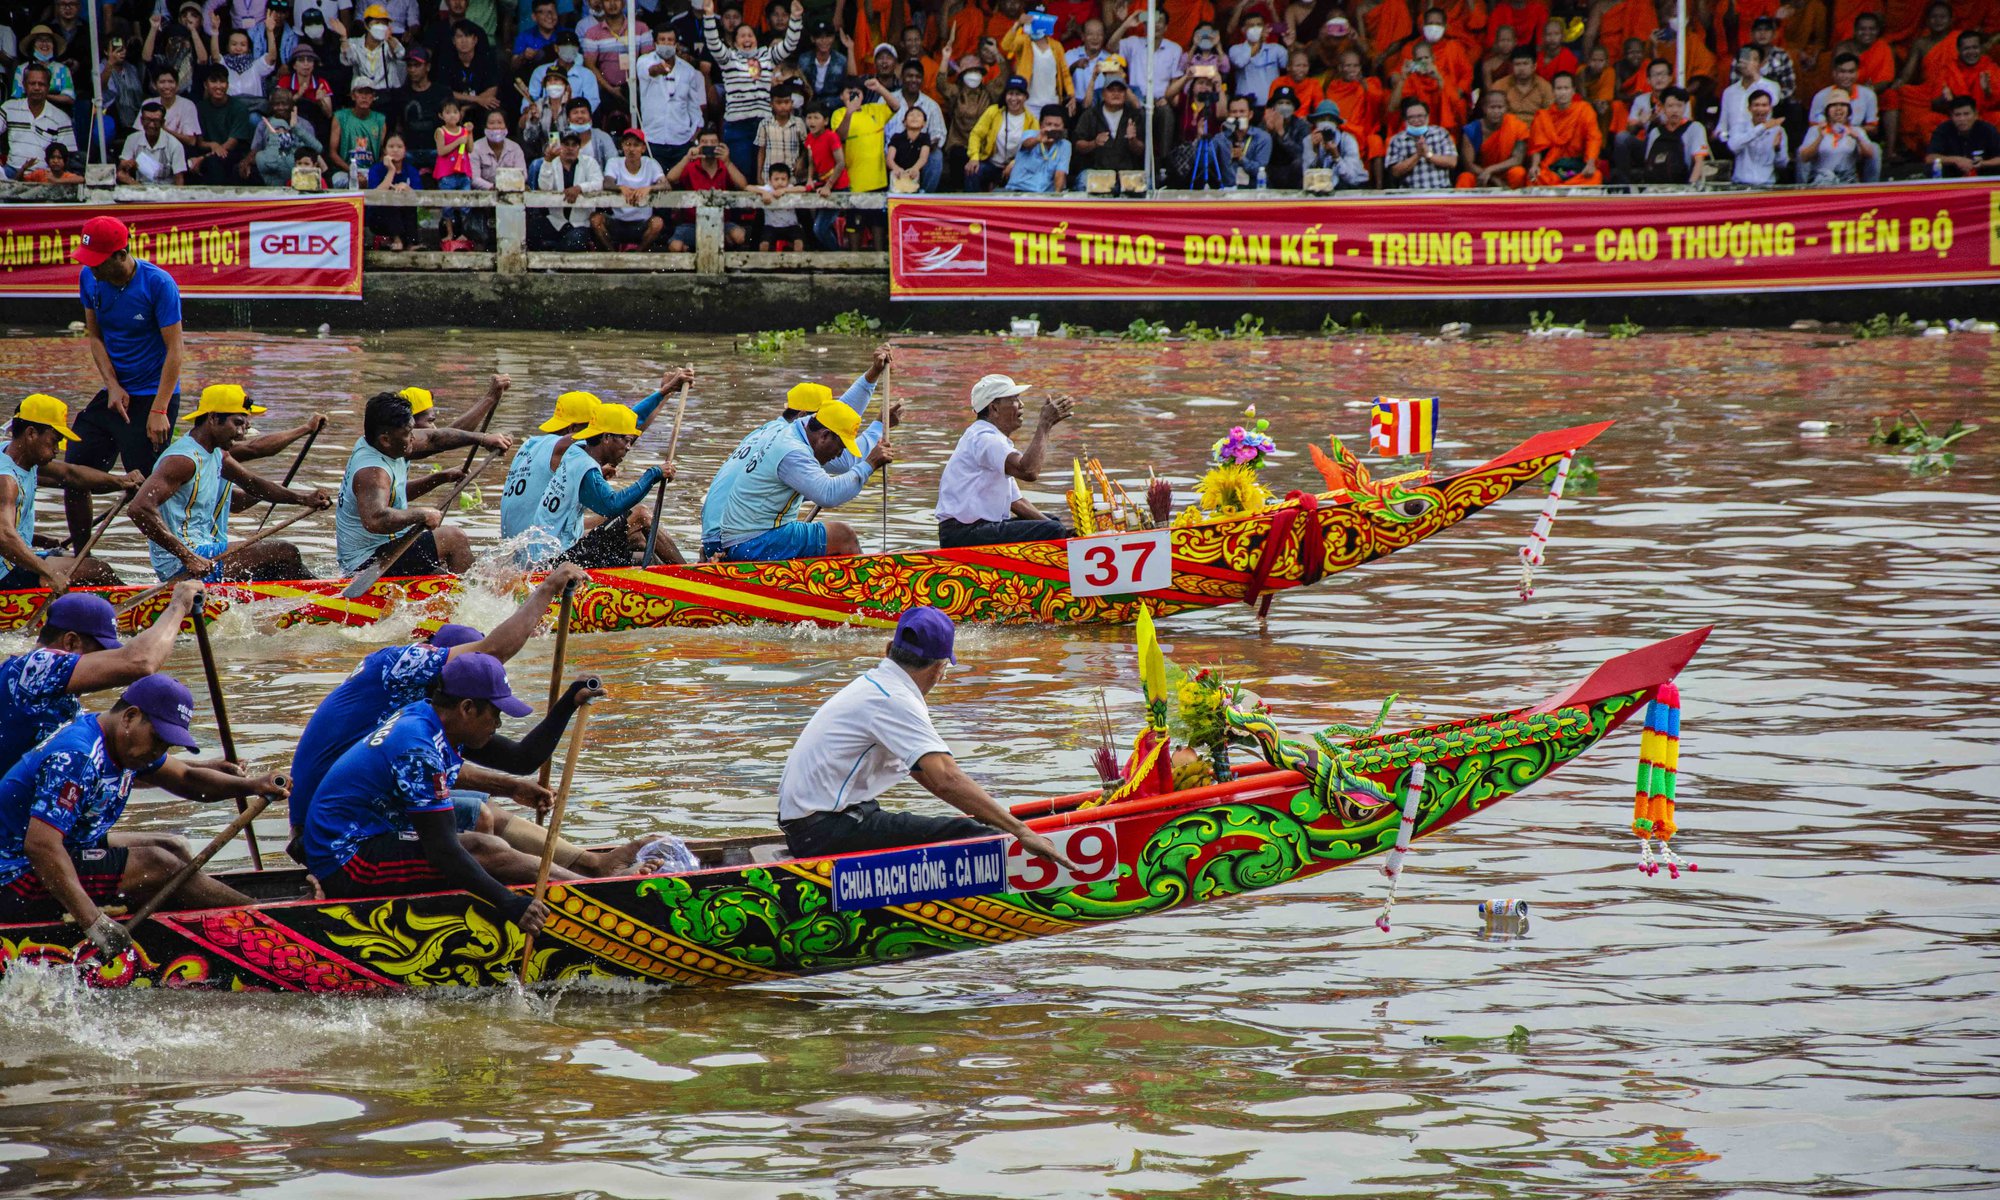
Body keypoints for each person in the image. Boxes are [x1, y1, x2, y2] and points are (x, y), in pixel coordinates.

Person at [285, 571, 591, 839]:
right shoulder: (396, 667)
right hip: (326, 818)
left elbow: (521, 760)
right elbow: (492, 652)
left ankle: (589, 864)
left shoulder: (444, 712)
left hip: (356, 803)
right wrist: (548, 587)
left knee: (484, 804)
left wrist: (570, 701)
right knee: (479, 813)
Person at [776, 606, 1076, 865]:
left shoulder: (876, 685)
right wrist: (1019, 831)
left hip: (814, 826)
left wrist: (987, 813)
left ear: (887, 650)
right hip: (827, 832)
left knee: (964, 826)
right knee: (984, 839)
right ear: (940, 668)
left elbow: (927, 774)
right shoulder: (892, 700)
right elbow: (946, 778)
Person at [0, 674, 289, 943]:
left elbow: (187, 779)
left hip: (62, 846)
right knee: (157, 864)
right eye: (158, 740)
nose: (159, 752)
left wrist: (253, 786)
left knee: (171, 847)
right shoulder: (77, 757)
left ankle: (193, 916)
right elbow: (40, 846)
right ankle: (272, 921)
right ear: (130, 716)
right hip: (13, 877)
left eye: (167, 745)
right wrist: (94, 924)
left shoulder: (120, 741)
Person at [297, 652, 554, 929]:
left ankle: (584, 879)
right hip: (346, 860)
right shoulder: (417, 748)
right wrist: (510, 904)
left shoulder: (425, 713)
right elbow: (443, 852)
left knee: (486, 847)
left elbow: (523, 759)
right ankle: (588, 888)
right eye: (496, 715)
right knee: (484, 849)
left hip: (367, 836)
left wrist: (571, 701)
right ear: (467, 709)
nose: (498, 725)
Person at [127, 384, 334, 584]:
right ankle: (332, 597)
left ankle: (317, 597)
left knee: (277, 568)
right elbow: (138, 509)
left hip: (205, 553)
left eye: (245, 425)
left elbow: (254, 485)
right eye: (236, 423)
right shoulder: (183, 460)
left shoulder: (217, 454)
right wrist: (188, 557)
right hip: (182, 563)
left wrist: (304, 498)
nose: (242, 432)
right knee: (284, 552)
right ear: (213, 418)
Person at [69, 216, 183, 554]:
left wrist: (160, 409)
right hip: (115, 393)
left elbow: (175, 351)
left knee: (149, 492)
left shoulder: (158, 284)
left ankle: (177, 561)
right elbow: (96, 337)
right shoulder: (89, 279)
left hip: (154, 396)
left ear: (120, 255)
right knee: (74, 473)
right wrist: (112, 385)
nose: (92, 269)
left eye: (97, 261)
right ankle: (81, 556)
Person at [0, 584, 205, 771]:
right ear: (71, 642)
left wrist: (207, 768)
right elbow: (141, 662)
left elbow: (105, 762)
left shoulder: (67, 703)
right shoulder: (35, 667)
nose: (108, 666)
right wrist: (178, 606)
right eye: (101, 654)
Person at [700, 397, 894, 562]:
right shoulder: (793, 451)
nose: (838, 455)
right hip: (751, 543)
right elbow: (828, 495)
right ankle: (866, 595)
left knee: (820, 536)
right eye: (841, 448)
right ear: (824, 436)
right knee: (843, 535)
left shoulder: (791, 432)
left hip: (741, 538)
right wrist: (870, 464)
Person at [335, 392, 483, 578]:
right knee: (453, 538)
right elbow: (375, 519)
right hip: (366, 564)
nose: (414, 438)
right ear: (385, 439)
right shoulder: (373, 473)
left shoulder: (382, 444)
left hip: (387, 549)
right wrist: (421, 514)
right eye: (408, 434)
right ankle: (473, 599)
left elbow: (434, 439)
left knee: (443, 566)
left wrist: (440, 477)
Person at [0, 395, 138, 592]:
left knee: (72, 560)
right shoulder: (5, 479)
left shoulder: (16, 457)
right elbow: (4, 537)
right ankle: (133, 608)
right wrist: (49, 573)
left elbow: (71, 474)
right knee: (98, 570)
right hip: (4, 572)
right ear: (31, 433)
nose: (57, 450)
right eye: (54, 441)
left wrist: (121, 482)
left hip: (10, 560)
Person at [935, 376, 1074, 548]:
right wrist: (1044, 425)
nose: (1021, 404)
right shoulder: (985, 439)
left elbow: (1017, 503)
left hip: (970, 531)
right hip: (963, 534)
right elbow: (1029, 471)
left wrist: (1066, 533)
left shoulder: (988, 439)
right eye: (1014, 399)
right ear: (994, 408)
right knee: (1052, 529)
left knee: (1053, 523)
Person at [637, 27, 706, 172]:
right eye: (662, 40)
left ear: (676, 44)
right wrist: (659, 69)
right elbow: (650, 71)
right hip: (653, 138)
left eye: (670, 40)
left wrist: (693, 135)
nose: (666, 43)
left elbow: (693, 106)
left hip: (681, 140)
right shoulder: (644, 61)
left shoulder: (688, 70)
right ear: (655, 43)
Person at [594, 129, 668, 251]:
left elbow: (666, 185)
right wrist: (620, 187)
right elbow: (607, 182)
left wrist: (649, 188)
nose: (631, 149)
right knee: (596, 219)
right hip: (618, 220)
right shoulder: (614, 162)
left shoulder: (651, 163)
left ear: (643, 148)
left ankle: (637, 257)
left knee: (657, 223)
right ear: (622, 146)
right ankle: (613, 256)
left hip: (642, 222)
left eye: (636, 145)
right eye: (628, 144)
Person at [532, 129, 604, 250]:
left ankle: (552, 263)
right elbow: (544, 188)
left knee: (575, 240)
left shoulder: (589, 162)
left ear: (579, 147)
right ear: (560, 146)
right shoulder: (551, 162)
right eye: (566, 144)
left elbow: (598, 183)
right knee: (530, 229)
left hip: (581, 223)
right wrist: (548, 162)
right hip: (556, 221)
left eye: (574, 145)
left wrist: (579, 188)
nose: (570, 148)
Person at [2, 63, 77, 176]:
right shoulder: (9, 108)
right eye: (32, 83)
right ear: (24, 85)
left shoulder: (61, 118)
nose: (37, 88)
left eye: (41, 84)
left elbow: (68, 156)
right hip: (11, 171)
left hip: (44, 175)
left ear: (48, 87)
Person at [1527, 72, 1602, 185]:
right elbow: (1536, 147)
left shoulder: (1584, 110)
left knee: (1596, 176)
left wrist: (1590, 164)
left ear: (1573, 90)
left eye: (1566, 88)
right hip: (1553, 167)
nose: (1563, 93)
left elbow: (1593, 138)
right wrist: (1534, 166)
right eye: (1559, 88)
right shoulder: (1543, 116)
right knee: (1534, 178)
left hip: (1577, 167)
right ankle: (1567, 190)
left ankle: (1559, 190)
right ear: (1552, 91)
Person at [966, 74, 1037, 190]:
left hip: (1016, 167)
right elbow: (976, 134)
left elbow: (1032, 151)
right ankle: (971, 206)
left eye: (1018, 94)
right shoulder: (993, 111)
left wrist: (1015, 163)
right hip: (992, 164)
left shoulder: (1031, 120)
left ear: (1025, 97)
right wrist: (974, 157)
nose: (1013, 98)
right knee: (973, 171)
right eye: (1010, 94)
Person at [247, 86, 323, 184]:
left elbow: (314, 150)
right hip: (271, 166)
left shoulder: (304, 124)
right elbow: (256, 149)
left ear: (291, 105)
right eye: (276, 104)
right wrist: (247, 162)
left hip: (299, 167)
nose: (280, 108)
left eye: (284, 104)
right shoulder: (263, 124)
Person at [1799, 89, 1877, 183]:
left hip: (1847, 178)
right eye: (1834, 105)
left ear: (1848, 110)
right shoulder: (1815, 130)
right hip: (1821, 179)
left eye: (1843, 105)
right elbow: (1804, 157)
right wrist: (1820, 138)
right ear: (1827, 110)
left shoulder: (1856, 131)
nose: (1838, 109)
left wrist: (1857, 138)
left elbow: (1871, 155)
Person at [1457, 87, 1529, 186]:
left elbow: (1517, 159)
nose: (1496, 111)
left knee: (1518, 172)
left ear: (1506, 108)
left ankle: (1514, 201)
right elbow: (1469, 165)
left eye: (1500, 107)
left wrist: (1491, 169)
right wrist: (1492, 177)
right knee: (1465, 178)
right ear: (1484, 108)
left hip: (1504, 173)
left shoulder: (1517, 127)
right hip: (1481, 175)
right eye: (1492, 107)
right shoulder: (1472, 130)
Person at [1642, 86, 1710, 183]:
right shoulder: (1655, 132)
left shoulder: (1695, 128)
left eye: (1679, 106)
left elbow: (1699, 161)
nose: (1675, 110)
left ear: (1685, 107)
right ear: (1663, 108)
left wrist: (1690, 187)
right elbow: (1649, 163)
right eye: (1670, 106)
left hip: (1684, 185)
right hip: (1657, 188)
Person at [1385, 97, 1456, 186]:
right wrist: (1418, 155)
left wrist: (1428, 155)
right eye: (1411, 117)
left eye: (1420, 116)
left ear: (1428, 117)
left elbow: (1452, 162)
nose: (1416, 120)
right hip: (1410, 195)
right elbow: (1395, 172)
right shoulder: (1397, 140)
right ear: (1405, 120)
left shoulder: (1441, 133)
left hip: (1440, 192)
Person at [1925, 94, 2000, 175]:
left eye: (1966, 114)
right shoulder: (1943, 129)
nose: (1962, 119)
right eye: (1957, 115)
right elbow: (1930, 158)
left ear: (1976, 115)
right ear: (1951, 116)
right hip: (1951, 177)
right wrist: (1956, 160)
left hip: (1983, 176)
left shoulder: (1988, 130)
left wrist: (1983, 163)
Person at [1726, 88, 1789, 185]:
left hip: (1767, 185)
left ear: (1770, 108)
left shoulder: (1778, 130)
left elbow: (1782, 164)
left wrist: (1777, 149)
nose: (1760, 109)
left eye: (1764, 105)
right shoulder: (1739, 128)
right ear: (1749, 108)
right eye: (1756, 105)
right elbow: (1733, 146)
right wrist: (1762, 127)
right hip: (1741, 184)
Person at [1004, 102, 1071, 190]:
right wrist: (1037, 140)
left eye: (1056, 125)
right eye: (1048, 124)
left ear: (1063, 128)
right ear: (1040, 124)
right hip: (1019, 190)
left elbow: (1060, 173)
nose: (1051, 129)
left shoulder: (1065, 145)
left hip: (1044, 196)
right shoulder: (1029, 134)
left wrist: (1056, 197)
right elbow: (1026, 144)